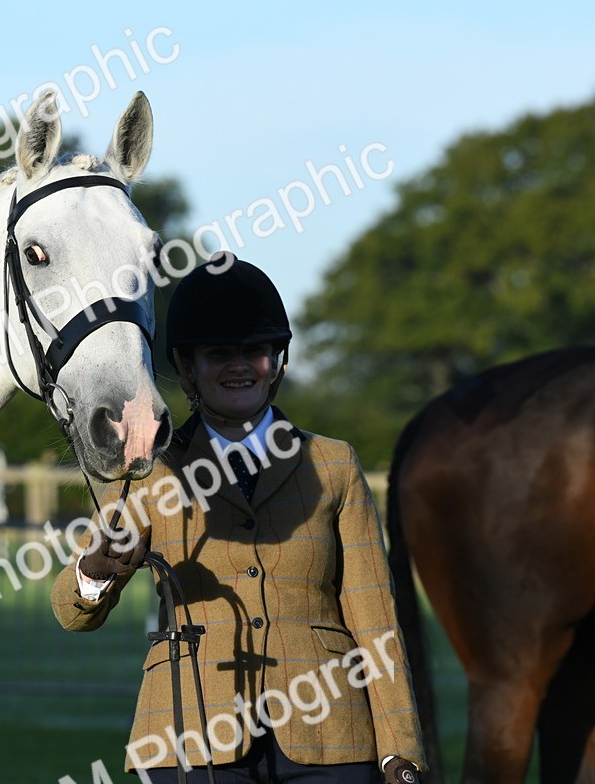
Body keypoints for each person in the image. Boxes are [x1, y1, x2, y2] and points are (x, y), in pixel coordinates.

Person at [51, 254, 426, 784]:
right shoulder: (147, 469)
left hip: (331, 734)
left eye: (255, 351)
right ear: (187, 368)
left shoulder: (335, 465)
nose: (239, 365)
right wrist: (95, 574)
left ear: (280, 361)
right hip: (190, 729)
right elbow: (72, 612)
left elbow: (375, 618)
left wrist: (399, 749)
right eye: (218, 353)